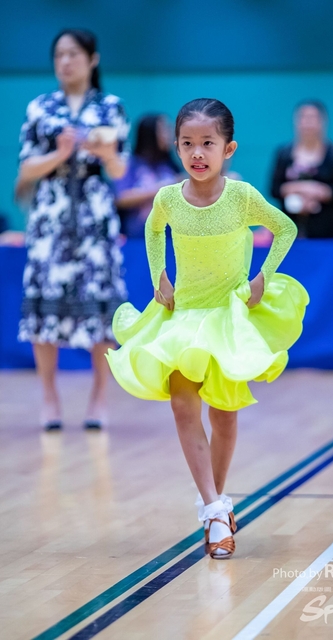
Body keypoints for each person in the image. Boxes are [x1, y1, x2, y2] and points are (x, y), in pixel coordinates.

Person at [106, 98, 309, 559]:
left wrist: (264, 276)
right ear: (177, 147)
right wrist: (159, 275)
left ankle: (214, 505)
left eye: (207, 143)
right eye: (187, 144)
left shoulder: (242, 197)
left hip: (227, 318)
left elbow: (285, 229)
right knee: (182, 404)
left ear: (228, 148)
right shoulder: (168, 198)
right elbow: (153, 231)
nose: (197, 153)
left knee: (224, 414)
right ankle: (215, 510)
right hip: (183, 315)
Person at [16, 29, 129, 431]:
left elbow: (120, 170)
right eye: (59, 55)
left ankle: (99, 398)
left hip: (95, 215)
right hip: (51, 214)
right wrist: (60, 153)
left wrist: (106, 153)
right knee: (44, 303)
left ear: (92, 59)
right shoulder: (40, 108)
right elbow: (26, 168)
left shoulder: (110, 107)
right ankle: (49, 398)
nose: (65, 62)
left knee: (101, 305)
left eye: (74, 54)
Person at [270, 100, 333, 238]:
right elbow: (274, 189)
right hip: (290, 229)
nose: (307, 123)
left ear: (323, 121)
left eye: (312, 118)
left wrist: (321, 192)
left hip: (328, 230)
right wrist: (298, 189)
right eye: (303, 117)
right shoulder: (283, 153)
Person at [114, 114, 181, 238]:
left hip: (170, 236)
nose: (169, 135)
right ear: (149, 134)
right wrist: (162, 189)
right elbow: (120, 198)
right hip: (137, 236)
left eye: (169, 129)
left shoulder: (170, 166)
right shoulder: (131, 164)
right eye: (163, 130)